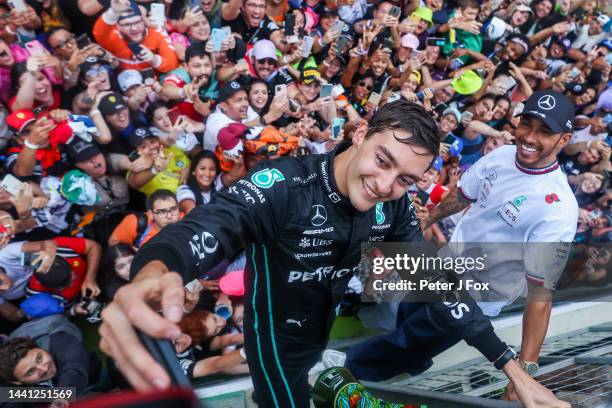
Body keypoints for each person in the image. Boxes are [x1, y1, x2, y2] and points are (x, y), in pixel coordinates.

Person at [99, 101, 567, 408]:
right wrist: (155, 271)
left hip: (324, 328)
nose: (386, 186)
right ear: (361, 133)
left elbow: (442, 289)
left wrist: (515, 371)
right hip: (276, 339)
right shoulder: (285, 184)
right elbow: (207, 227)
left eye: (405, 179)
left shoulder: (394, 207)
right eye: (383, 160)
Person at [346, 90, 579, 402]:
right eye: (527, 123)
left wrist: (526, 369)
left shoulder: (559, 208)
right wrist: (427, 223)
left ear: (564, 140)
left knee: (410, 339)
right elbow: (462, 196)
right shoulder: (501, 155)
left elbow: (540, 295)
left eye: (545, 131)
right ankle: (408, 363)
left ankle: (350, 371)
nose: (530, 137)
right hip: (445, 265)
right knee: (408, 314)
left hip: (478, 294)